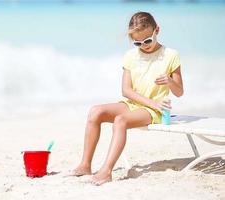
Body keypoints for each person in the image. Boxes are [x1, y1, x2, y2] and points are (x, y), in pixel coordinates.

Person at [72, 11, 184, 186]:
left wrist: (169, 81)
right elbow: (126, 90)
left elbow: (179, 92)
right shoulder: (131, 56)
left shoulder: (171, 55)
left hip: (155, 111)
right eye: (138, 43)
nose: (143, 46)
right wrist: (150, 101)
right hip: (134, 103)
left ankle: (106, 171)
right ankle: (85, 165)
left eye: (147, 40)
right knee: (95, 111)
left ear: (157, 30)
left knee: (120, 120)